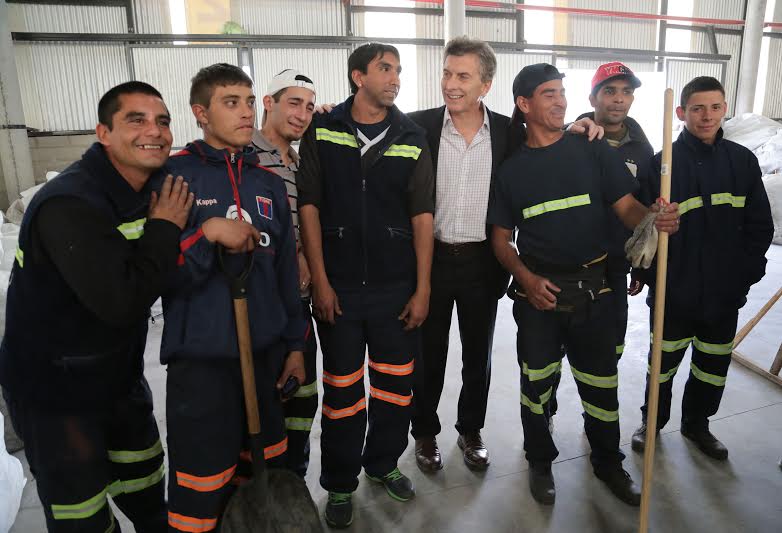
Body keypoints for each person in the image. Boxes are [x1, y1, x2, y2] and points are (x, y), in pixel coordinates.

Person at [0, 81, 191, 532]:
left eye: (162, 120)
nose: (155, 130)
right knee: (82, 513)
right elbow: (121, 303)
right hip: (54, 393)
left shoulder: (149, 184)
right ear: (102, 133)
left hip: (116, 377)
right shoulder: (69, 203)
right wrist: (164, 230)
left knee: (146, 486)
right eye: (136, 119)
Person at [488, 63, 679, 507]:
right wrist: (528, 280)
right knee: (536, 386)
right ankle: (539, 459)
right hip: (539, 297)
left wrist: (654, 219)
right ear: (524, 104)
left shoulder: (592, 150)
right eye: (549, 94)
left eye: (562, 93)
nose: (560, 101)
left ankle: (608, 463)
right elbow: (500, 242)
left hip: (595, 291)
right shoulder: (511, 171)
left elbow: (627, 208)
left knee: (600, 386)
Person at [161, 63, 306, 532]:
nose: (245, 112)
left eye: (248, 101)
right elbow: (159, 270)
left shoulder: (265, 183)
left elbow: (286, 273)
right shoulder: (176, 176)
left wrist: (296, 345)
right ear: (200, 113)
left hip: (264, 352)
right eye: (230, 103)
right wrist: (205, 235)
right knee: (203, 481)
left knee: (262, 466)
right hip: (202, 361)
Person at [297, 42, 435, 528]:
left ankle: (381, 464)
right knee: (342, 394)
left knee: (396, 390)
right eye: (385, 69)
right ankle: (338, 483)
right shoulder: (325, 129)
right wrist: (319, 279)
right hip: (339, 290)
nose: (395, 78)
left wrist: (422, 288)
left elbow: (422, 215)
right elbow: (308, 205)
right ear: (359, 76)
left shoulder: (412, 135)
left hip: (396, 287)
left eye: (398, 70)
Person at [630, 76, 773, 460]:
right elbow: (642, 230)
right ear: (681, 113)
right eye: (697, 108)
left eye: (714, 107)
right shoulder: (662, 165)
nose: (706, 116)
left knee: (712, 364)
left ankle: (697, 424)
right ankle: (652, 423)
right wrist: (647, 276)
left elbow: (761, 227)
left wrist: (744, 277)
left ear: (725, 109)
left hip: (724, 293)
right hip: (675, 292)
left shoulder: (742, 162)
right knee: (661, 365)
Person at [407, 36, 509, 473]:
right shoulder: (417, 127)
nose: (451, 83)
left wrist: (585, 124)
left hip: (482, 261)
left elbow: (553, 138)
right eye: (447, 72)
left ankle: (471, 430)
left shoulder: (508, 133)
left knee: (476, 354)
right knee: (427, 353)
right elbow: (363, 122)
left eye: (462, 76)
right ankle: (425, 432)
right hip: (431, 260)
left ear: (484, 84)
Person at [251, 68, 319, 477]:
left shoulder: (301, 161)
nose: (303, 114)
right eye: (294, 102)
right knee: (262, 404)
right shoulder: (244, 155)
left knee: (301, 398)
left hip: (300, 304)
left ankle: (293, 481)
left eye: (310, 107)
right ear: (268, 102)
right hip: (261, 307)